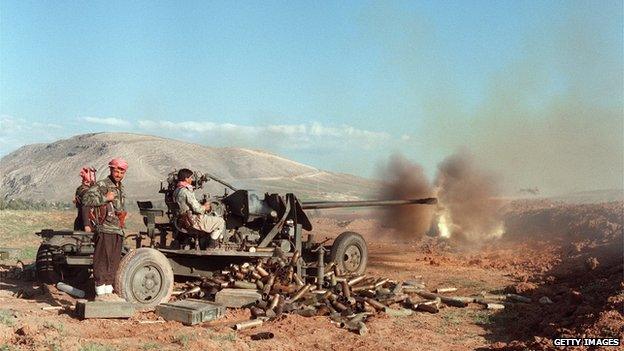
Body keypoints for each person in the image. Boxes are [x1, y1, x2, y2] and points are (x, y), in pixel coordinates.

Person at [81, 158, 128, 301]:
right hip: (105, 228)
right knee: (102, 261)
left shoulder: (121, 187)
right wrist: (104, 198)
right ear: (111, 170)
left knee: (113, 262)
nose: (119, 174)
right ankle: (100, 294)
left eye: (122, 171)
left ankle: (108, 292)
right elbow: (86, 200)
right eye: (116, 170)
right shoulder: (102, 185)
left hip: (117, 230)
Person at [174, 168, 225, 248]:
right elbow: (198, 209)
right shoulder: (186, 191)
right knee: (220, 221)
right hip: (193, 220)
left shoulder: (177, 190)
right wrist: (205, 206)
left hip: (182, 220)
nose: (192, 179)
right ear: (186, 179)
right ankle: (211, 246)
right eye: (190, 177)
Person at [73, 167, 95, 232]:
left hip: (82, 221)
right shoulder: (85, 191)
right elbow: (85, 206)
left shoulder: (82, 189)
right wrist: (87, 224)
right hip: (85, 222)